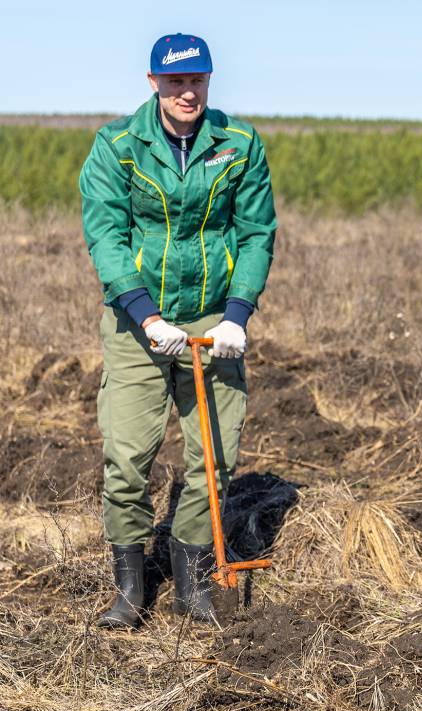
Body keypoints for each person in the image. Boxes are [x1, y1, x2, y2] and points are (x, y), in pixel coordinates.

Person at [80, 33, 277, 628]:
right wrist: (146, 314)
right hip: (138, 323)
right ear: (153, 84)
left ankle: (192, 582)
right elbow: (106, 238)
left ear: (209, 81)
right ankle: (131, 587)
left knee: (214, 457)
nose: (186, 91)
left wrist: (237, 316)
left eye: (196, 80)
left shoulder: (239, 145)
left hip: (213, 320)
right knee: (128, 454)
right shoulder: (117, 146)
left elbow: (256, 234)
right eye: (174, 82)